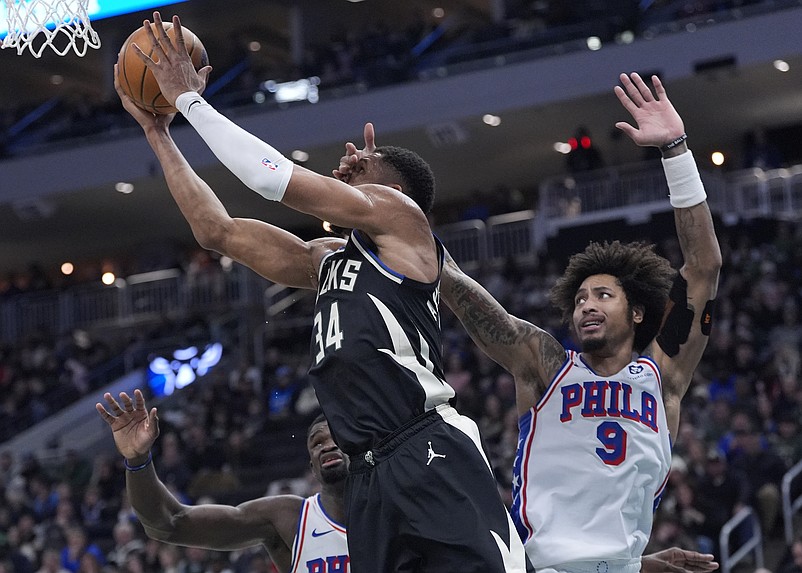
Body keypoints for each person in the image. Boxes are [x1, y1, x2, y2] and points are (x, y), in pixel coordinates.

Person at [117, 14, 527, 570]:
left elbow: (272, 178)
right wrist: (158, 134)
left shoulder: (404, 221)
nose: (346, 165)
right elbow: (217, 231)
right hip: (369, 472)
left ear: (396, 190)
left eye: (362, 165)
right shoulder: (327, 260)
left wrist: (189, 101)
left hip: (425, 442)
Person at [339, 73, 721, 571]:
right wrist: (381, 207)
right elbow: (455, 284)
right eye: (580, 296)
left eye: (603, 295)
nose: (586, 305)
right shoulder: (546, 364)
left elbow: (704, 268)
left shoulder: (663, 377)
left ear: (639, 312)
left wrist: (675, 150)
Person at [95, 389, 348, 572]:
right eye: (317, 442)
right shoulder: (288, 518)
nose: (327, 446)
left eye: (336, 437)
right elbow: (167, 524)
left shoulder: (387, 506)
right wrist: (138, 460)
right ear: (311, 466)